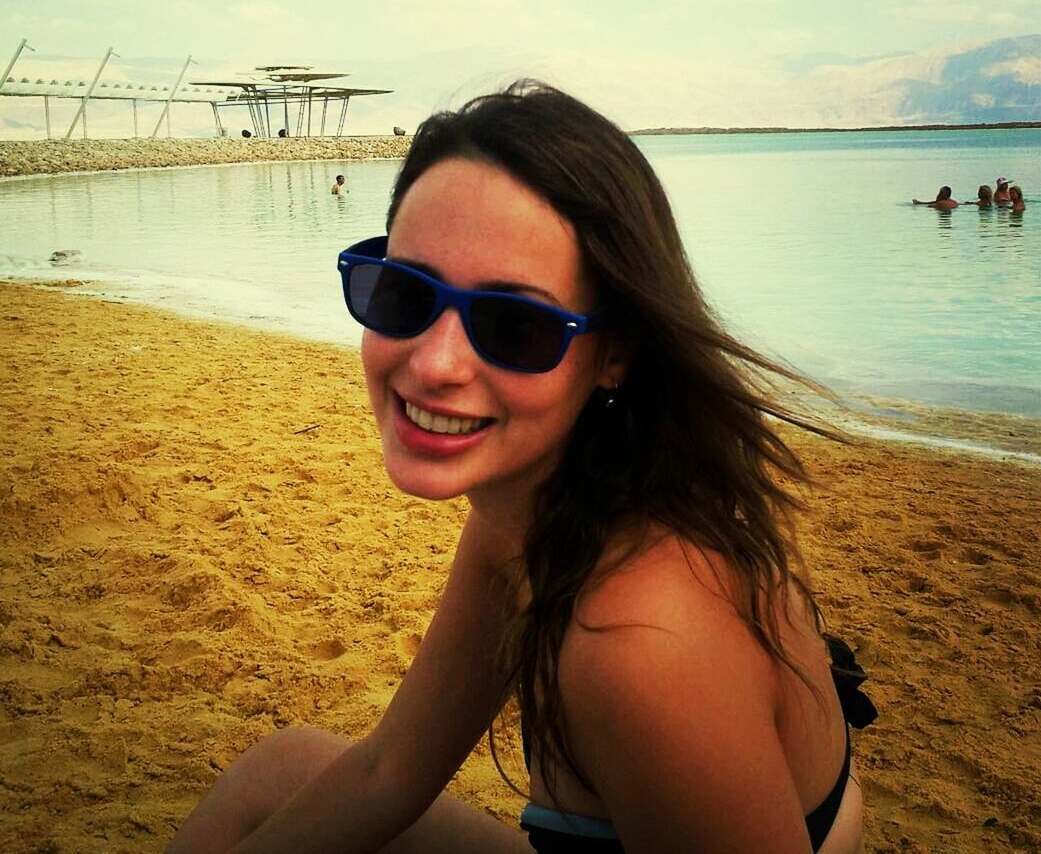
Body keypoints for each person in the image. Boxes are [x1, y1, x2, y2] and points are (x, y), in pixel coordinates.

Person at [166, 82, 873, 854]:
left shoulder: (635, 640)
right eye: (402, 292)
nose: (433, 362)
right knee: (283, 770)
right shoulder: (539, 510)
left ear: (614, 352)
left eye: (515, 324)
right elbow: (393, 770)